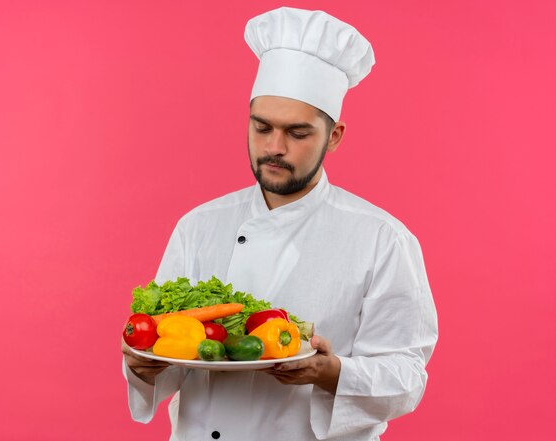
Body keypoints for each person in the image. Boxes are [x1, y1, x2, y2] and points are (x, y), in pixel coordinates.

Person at [121, 6, 438, 441]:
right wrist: (141, 365)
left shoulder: (382, 239)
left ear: (335, 135)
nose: (275, 147)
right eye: (261, 127)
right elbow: (163, 352)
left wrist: (333, 373)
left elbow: (406, 376)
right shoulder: (198, 227)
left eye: (298, 133)